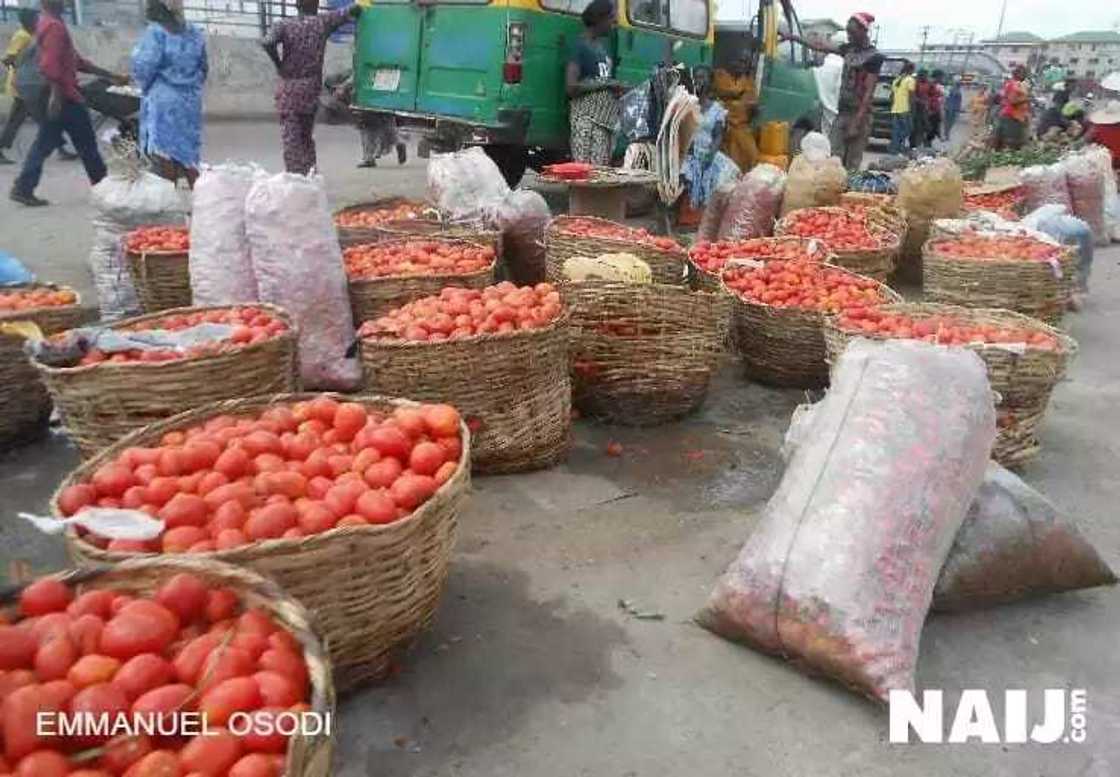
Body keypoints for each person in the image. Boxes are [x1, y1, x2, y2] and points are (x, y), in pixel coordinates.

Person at [10, 0, 129, 207]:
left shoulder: (47, 23)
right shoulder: (54, 26)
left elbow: (76, 61)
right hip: (63, 96)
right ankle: (103, 187)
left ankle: (23, 187)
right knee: (86, 144)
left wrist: (111, 76)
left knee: (45, 142)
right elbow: (50, 65)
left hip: (57, 94)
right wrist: (56, 96)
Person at [262, 0, 361, 175]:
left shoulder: (284, 25)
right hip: (310, 91)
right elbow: (351, 10)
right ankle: (310, 174)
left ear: (297, 5)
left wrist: (279, 64)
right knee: (306, 136)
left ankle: (295, 177)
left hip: (289, 90)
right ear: (315, 5)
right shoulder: (322, 23)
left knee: (291, 140)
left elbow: (267, 42)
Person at [784, 12, 882, 171]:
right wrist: (794, 38)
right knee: (833, 157)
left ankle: (849, 186)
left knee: (851, 163)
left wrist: (856, 123)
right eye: (848, 32)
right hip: (842, 112)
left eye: (852, 32)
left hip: (860, 115)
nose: (849, 36)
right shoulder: (848, 49)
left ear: (863, 31)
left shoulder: (874, 57)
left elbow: (868, 93)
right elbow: (820, 46)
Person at [130, 0, 207, 187]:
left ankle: (169, 194)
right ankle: (199, 193)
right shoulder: (195, 33)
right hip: (190, 102)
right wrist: (190, 86)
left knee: (164, 151)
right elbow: (204, 68)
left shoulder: (155, 33)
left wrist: (145, 86)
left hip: (163, 102)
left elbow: (143, 68)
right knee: (189, 151)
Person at [565, 0, 625, 165]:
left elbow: (600, 80)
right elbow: (571, 87)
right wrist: (606, 85)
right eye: (611, 17)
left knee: (599, 172)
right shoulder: (580, 47)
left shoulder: (601, 48)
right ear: (599, 19)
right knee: (585, 171)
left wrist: (616, 87)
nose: (614, 22)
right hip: (586, 122)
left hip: (604, 123)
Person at [712, 51, 758, 172]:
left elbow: (751, 101)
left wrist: (752, 107)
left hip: (741, 126)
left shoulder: (747, 81)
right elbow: (719, 93)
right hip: (723, 125)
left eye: (745, 63)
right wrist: (736, 97)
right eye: (740, 61)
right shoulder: (720, 75)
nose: (741, 65)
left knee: (751, 154)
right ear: (732, 62)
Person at [994, 65, 1031, 151]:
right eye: (1024, 73)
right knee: (1010, 144)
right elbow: (1012, 100)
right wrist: (1026, 99)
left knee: (1006, 143)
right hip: (1012, 116)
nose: (1025, 76)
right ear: (1018, 74)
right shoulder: (1014, 85)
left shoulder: (1016, 84)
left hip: (1014, 116)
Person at [888, 60, 915, 156]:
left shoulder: (896, 80)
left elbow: (891, 96)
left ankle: (894, 148)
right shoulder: (910, 80)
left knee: (896, 130)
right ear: (911, 70)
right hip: (905, 109)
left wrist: (894, 105)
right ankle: (898, 146)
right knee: (908, 129)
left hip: (895, 109)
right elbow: (911, 96)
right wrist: (912, 108)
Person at [911, 70, 930, 149]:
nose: (926, 77)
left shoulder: (928, 84)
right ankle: (913, 145)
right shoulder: (915, 83)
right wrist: (921, 101)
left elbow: (928, 95)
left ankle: (919, 144)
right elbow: (913, 96)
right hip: (916, 108)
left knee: (925, 127)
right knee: (916, 127)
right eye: (924, 76)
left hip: (924, 109)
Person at [926, 70, 945, 145]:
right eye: (941, 77)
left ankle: (929, 142)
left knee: (935, 126)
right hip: (931, 110)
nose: (942, 79)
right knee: (930, 128)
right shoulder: (931, 84)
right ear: (937, 76)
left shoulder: (937, 85)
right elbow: (927, 97)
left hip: (936, 109)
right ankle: (927, 143)